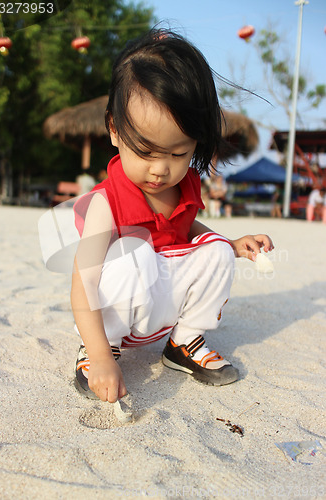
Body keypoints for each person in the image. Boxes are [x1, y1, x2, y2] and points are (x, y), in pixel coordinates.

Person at [71, 29, 274, 403]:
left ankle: (183, 342)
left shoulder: (186, 187)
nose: (160, 170)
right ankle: (99, 350)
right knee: (134, 250)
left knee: (214, 250)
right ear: (115, 130)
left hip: (162, 304)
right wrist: (99, 353)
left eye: (178, 154)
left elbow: (186, 227)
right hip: (117, 315)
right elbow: (83, 283)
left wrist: (230, 245)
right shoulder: (106, 202)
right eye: (146, 152)